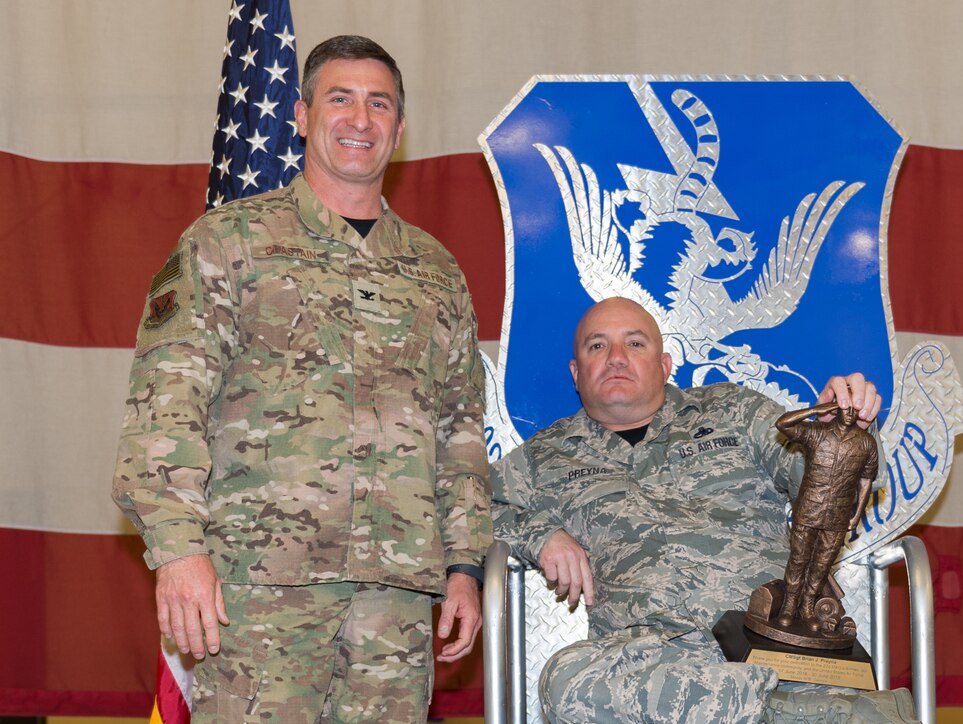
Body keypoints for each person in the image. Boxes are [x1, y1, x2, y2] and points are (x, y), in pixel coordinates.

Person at [112, 36, 491, 723]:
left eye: (380, 104)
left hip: (396, 597)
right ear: (302, 114)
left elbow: (461, 426)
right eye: (340, 98)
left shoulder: (436, 271)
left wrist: (465, 567)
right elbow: (166, 401)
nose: (360, 118)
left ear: (399, 129)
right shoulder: (228, 241)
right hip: (260, 587)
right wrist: (177, 551)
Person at [491, 296, 917, 723]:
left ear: (664, 365)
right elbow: (473, 507)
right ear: (575, 372)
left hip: (767, 637)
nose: (616, 358)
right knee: (567, 683)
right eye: (597, 346)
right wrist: (541, 535)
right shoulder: (544, 457)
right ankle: (803, 715)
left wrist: (839, 433)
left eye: (635, 344)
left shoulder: (733, 410)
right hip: (650, 660)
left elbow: (816, 482)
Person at [775, 401, 879, 633]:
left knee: (822, 565)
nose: (851, 412)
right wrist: (814, 411)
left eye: (855, 408)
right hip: (808, 510)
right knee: (799, 560)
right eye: (845, 406)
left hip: (838, 515)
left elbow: (866, 481)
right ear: (836, 408)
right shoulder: (817, 433)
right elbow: (782, 424)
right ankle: (789, 606)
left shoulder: (866, 443)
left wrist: (858, 513)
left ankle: (807, 607)